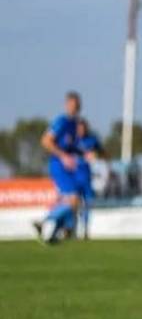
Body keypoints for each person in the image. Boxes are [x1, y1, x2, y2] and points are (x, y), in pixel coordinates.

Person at [34, 91, 82, 244]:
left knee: (70, 202)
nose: (74, 108)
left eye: (76, 105)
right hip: (59, 165)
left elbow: (72, 146)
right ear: (66, 105)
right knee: (73, 200)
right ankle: (44, 221)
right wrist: (63, 156)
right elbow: (46, 141)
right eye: (71, 105)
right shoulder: (61, 121)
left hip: (70, 167)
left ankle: (55, 234)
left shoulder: (75, 124)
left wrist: (82, 154)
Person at [74, 118, 103, 240]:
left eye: (83, 128)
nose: (81, 130)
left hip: (86, 177)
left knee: (87, 204)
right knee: (74, 205)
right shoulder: (72, 140)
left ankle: (85, 230)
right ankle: (72, 229)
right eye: (79, 128)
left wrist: (96, 155)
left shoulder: (92, 140)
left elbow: (101, 153)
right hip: (74, 178)